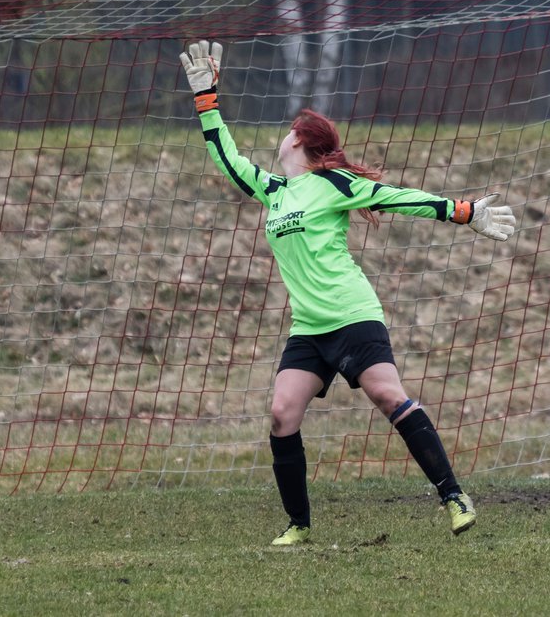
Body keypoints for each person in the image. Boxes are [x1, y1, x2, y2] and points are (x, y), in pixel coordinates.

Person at [179, 39, 516, 546]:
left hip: (352, 314)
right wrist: (207, 99)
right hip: (309, 328)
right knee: (281, 412)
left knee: (387, 395)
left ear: (301, 140)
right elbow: (226, 155)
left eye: (291, 128)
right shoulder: (273, 191)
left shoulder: (333, 182)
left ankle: (453, 495)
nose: (284, 134)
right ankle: (298, 525)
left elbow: (395, 197)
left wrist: (461, 211)